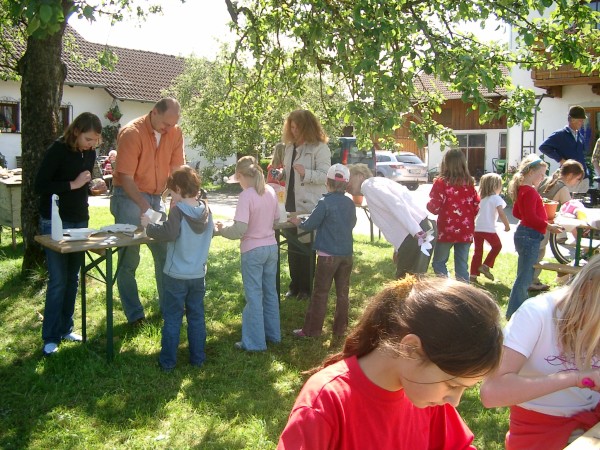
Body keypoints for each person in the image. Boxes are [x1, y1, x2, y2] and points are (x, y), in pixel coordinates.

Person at [277, 275, 503, 449]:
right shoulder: (326, 401)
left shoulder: (429, 399)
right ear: (411, 349)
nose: (454, 401)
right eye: (453, 385)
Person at [480, 255, 600, 450]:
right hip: (540, 434)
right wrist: (575, 378)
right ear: (588, 292)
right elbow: (492, 392)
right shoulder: (537, 314)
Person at [110, 98, 185, 326]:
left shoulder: (175, 133)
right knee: (129, 258)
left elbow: (176, 170)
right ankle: (135, 315)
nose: (169, 129)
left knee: (165, 254)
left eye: (173, 125)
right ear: (154, 113)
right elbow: (125, 178)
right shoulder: (131, 133)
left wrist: (176, 200)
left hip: (157, 196)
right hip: (129, 196)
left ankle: (169, 309)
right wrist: (145, 208)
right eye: (165, 124)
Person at [34, 112, 102, 355]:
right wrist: (72, 184)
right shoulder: (58, 150)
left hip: (80, 220)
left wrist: (93, 187)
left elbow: (84, 183)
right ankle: (50, 336)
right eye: (88, 139)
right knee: (58, 280)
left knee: (73, 278)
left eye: (95, 140)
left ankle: (65, 328)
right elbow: (39, 186)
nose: (91, 144)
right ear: (76, 131)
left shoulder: (90, 153)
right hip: (55, 221)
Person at [141, 166, 213, 371]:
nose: (171, 196)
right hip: (198, 274)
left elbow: (168, 234)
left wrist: (148, 226)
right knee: (196, 316)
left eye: (172, 192)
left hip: (176, 275)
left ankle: (167, 362)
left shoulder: (178, 211)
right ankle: (198, 358)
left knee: (172, 318)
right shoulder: (207, 210)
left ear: (180, 189)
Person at [215, 156, 280, 351]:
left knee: (254, 296)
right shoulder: (270, 190)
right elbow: (276, 220)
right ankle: (273, 335)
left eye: (238, 180)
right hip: (271, 247)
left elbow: (239, 230)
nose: (239, 185)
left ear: (241, 176)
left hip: (252, 250)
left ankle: (254, 343)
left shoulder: (246, 196)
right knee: (270, 293)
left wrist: (221, 230)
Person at [288, 164, 357, 338]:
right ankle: (340, 329)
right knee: (343, 293)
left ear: (328, 182)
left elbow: (310, 224)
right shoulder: (350, 202)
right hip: (346, 253)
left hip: (327, 255)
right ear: (346, 185)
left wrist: (299, 223)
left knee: (320, 293)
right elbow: (352, 223)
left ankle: (311, 331)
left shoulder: (324, 202)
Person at [346, 163, 436, 279]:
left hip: (416, 233)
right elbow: (395, 211)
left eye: (349, 179)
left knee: (406, 285)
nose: (346, 185)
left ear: (360, 175)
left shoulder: (368, 185)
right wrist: (397, 248)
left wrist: (415, 231)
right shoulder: (378, 183)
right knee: (414, 282)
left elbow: (396, 205)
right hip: (420, 229)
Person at [277, 110, 331, 300]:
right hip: (290, 202)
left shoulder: (320, 148)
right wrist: (282, 175)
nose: (293, 131)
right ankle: (295, 286)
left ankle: (307, 288)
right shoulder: (289, 147)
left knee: (306, 248)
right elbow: (289, 172)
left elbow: (326, 175)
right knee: (292, 246)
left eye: (297, 127)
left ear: (307, 127)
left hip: (309, 205)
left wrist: (305, 173)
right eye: (291, 127)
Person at [505, 154, 564, 319]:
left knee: (524, 273)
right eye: (541, 174)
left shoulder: (522, 189)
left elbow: (517, 212)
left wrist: (539, 215)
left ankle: (516, 310)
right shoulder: (530, 191)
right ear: (530, 172)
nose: (543, 177)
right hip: (530, 235)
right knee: (525, 277)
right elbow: (530, 217)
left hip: (524, 234)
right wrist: (548, 225)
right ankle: (516, 311)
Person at [530, 160, 584, 292]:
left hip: (533, 222)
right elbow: (570, 211)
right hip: (543, 225)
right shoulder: (562, 188)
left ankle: (531, 280)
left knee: (534, 253)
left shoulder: (547, 180)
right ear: (570, 175)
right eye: (577, 179)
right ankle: (530, 281)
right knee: (538, 254)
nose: (577, 182)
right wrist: (579, 239)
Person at [427, 148, 479, 283]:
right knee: (462, 266)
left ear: (445, 163)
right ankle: (464, 295)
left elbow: (434, 208)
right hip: (466, 230)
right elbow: (476, 206)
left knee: (439, 262)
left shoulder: (441, 183)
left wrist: (428, 205)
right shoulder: (469, 183)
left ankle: (447, 288)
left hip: (447, 230)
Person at [469, 173, 511, 283]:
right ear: (495, 186)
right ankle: (486, 265)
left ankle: (472, 275)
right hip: (488, 229)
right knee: (497, 246)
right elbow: (501, 213)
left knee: (477, 252)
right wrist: (507, 225)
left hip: (477, 229)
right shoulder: (496, 198)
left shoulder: (482, 199)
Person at [539, 105, 589, 193]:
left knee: (581, 205)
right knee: (568, 203)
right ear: (572, 119)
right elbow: (543, 147)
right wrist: (560, 159)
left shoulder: (580, 136)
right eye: (580, 120)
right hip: (569, 177)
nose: (582, 123)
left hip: (583, 178)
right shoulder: (560, 134)